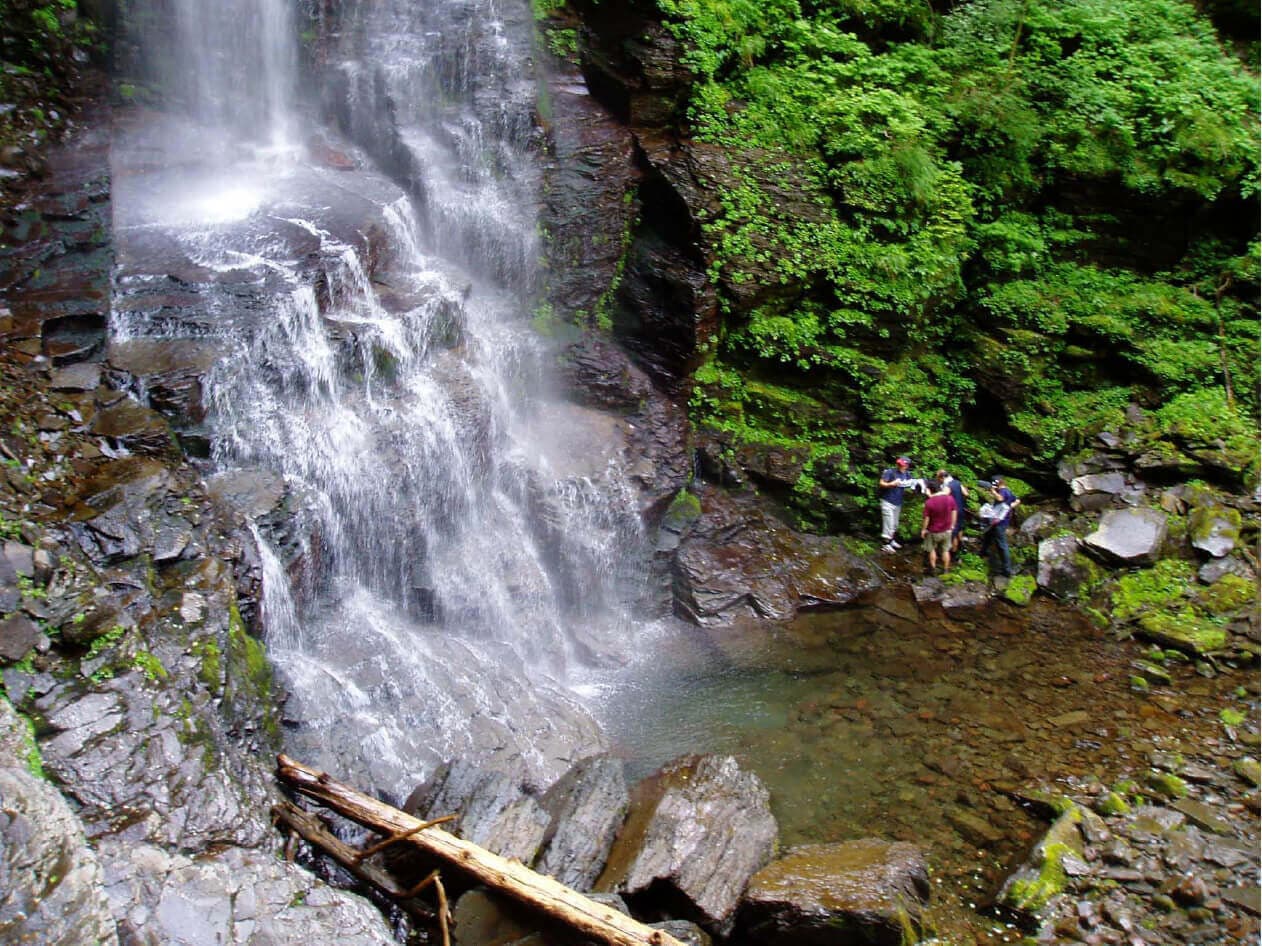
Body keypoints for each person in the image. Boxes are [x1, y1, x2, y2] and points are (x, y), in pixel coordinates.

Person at [978, 476, 1020, 577]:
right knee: (988, 535)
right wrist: (1010, 506)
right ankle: (983, 552)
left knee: (1002, 545)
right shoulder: (1008, 491)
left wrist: (992, 490)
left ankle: (1007, 570)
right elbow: (1018, 500)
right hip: (998, 520)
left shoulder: (1003, 492)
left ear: (997, 483)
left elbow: (1000, 498)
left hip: (1000, 522)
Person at [877, 456, 915, 552]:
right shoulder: (890, 472)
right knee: (888, 524)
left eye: (902, 464)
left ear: (907, 466)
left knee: (894, 524)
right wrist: (891, 484)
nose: (900, 466)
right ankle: (885, 544)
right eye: (899, 464)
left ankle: (891, 540)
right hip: (887, 501)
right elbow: (881, 483)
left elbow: (912, 483)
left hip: (898, 502)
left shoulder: (907, 474)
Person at [920, 480, 958, 572]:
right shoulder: (950, 498)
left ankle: (933, 568)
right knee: (946, 550)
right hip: (947, 530)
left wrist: (923, 530)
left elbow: (927, 519)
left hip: (933, 531)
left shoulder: (929, 502)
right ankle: (946, 569)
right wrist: (952, 525)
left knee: (932, 549)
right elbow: (954, 512)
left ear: (930, 490)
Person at [936, 470, 970, 553]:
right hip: (961, 509)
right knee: (959, 528)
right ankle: (962, 547)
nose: (938, 480)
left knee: (953, 533)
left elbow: (944, 494)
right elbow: (966, 494)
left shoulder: (948, 485)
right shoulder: (957, 482)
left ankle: (954, 553)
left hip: (953, 512)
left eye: (938, 478)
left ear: (942, 477)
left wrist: (933, 496)